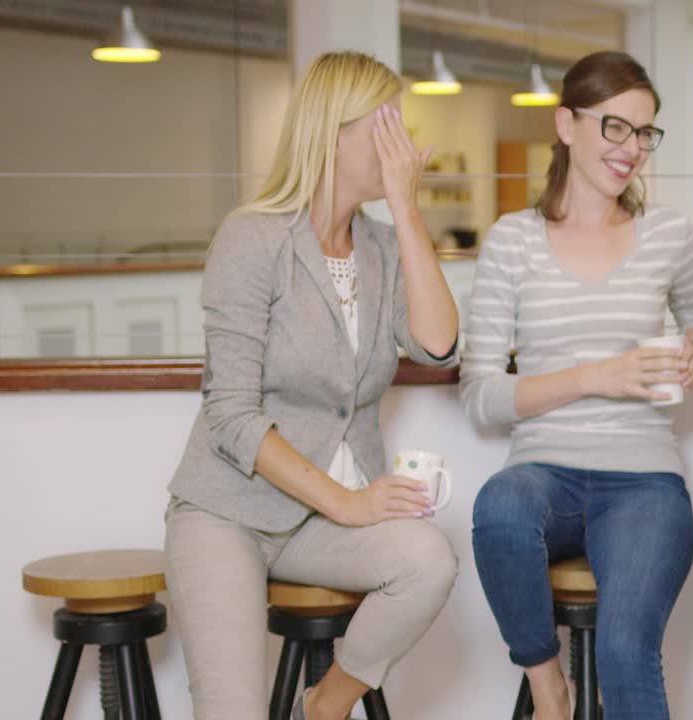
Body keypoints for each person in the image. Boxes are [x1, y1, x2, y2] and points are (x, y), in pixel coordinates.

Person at [163, 51, 459, 720]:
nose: (406, 147)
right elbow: (230, 414)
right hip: (226, 515)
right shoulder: (252, 239)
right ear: (335, 133)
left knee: (428, 561)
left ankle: (322, 707)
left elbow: (438, 347)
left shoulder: (383, 246)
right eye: (389, 128)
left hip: (317, 525)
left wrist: (409, 213)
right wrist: (349, 503)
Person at [461, 51, 693, 720]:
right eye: (615, 128)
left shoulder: (667, 233)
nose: (632, 149)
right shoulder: (511, 241)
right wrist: (598, 376)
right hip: (545, 472)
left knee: (627, 651)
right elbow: (482, 396)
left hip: (644, 481)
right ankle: (550, 693)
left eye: (644, 133)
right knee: (499, 510)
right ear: (566, 124)